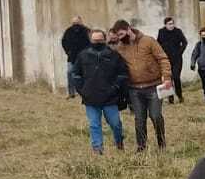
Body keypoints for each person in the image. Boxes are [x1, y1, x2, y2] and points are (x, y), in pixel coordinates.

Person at [110, 20, 171, 153]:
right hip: (134, 89)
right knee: (139, 119)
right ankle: (141, 146)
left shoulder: (148, 41)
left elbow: (163, 59)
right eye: (118, 36)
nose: (120, 38)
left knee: (155, 116)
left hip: (154, 86)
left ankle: (161, 142)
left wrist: (166, 78)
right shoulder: (120, 47)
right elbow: (113, 62)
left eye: (121, 34)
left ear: (129, 29)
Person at [72, 27, 129, 154]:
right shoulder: (83, 55)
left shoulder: (114, 55)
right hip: (90, 98)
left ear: (105, 40)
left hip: (110, 98)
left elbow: (122, 74)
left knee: (115, 124)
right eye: (95, 40)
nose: (97, 42)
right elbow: (75, 74)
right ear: (90, 40)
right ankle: (98, 149)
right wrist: (82, 90)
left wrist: (115, 88)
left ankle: (119, 142)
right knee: (94, 125)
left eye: (100, 40)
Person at [156, 17, 189, 104]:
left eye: (172, 23)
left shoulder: (178, 31)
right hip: (166, 59)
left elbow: (185, 42)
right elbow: (158, 44)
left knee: (176, 77)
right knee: (168, 79)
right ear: (165, 25)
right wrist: (161, 54)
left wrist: (180, 52)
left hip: (177, 59)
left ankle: (180, 95)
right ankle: (170, 98)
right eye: (169, 24)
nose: (171, 26)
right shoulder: (161, 32)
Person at [61, 14, 90, 99]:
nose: (75, 24)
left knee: (85, 74)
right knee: (70, 72)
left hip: (84, 58)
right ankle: (71, 93)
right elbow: (63, 42)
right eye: (74, 22)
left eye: (77, 22)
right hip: (72, 57)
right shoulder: (68, 31)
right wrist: (68, 52)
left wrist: (87, 53)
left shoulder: (86, 31)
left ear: (81, 22)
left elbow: (90, 42)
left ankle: (85, 92)